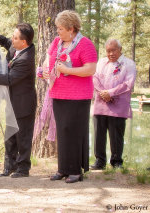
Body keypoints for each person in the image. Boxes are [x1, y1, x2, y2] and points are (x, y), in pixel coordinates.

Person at [43, 10, 97, 183]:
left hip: (78, 96)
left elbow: (90, 69)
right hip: (58, 93)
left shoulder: (85, 44)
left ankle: (75, 170)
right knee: (63, 130)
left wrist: (67, 71)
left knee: (74, 131)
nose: (57, 31)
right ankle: (63, 168)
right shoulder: (57, 42)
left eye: (60, 28)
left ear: (71, 28)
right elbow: (48, 56)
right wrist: (45, 68)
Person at [0, 23, 37, 178]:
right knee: (10, 135)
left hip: (23, 103)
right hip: (11, 101)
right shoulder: (17, 48)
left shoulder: (26, 58)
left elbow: (9, 79)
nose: (12, 39)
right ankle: (9, 166)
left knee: (23, 136)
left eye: (15, 37)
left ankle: (23, 168)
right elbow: (7, 42)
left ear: (24, 42)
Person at [90, 39, 137, 170]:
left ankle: (116, 161)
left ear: (120, 49)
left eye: (113, 50)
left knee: (116, 134)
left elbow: (129, 83)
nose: (111, 53)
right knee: (99, 133)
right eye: (108, 51)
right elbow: (94, 77)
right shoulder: (101, 62)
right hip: (100, 103)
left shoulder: (129, 64)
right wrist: (103, 93)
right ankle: (100, 161)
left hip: (118, 106)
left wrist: (111, 93)